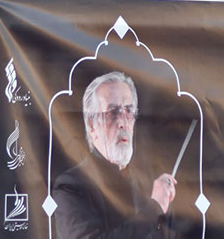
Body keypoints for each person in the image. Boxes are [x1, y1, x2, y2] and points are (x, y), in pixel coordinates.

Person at [52, 72, 176, 238]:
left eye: (129, 111)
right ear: (91, 124)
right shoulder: (71, 186)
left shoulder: (147, 186)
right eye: (112, 112)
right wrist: (154, 209)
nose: (123, 122)